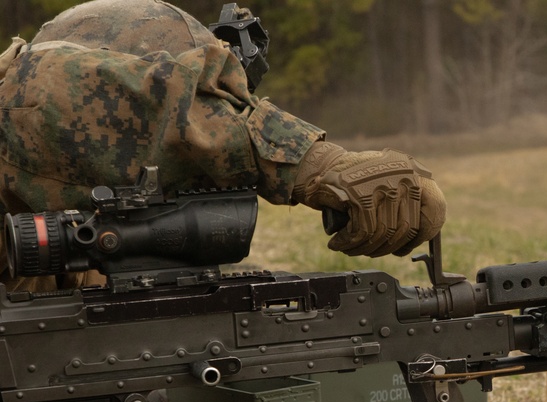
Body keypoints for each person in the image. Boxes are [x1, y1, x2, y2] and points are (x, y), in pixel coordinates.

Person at [0, 0, 446, 292]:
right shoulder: (32, 93)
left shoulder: (44, 210)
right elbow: (48, 89)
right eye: (207, 97)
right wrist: (323, 167)